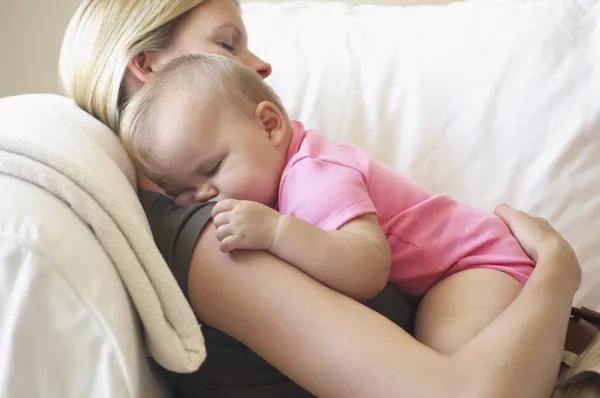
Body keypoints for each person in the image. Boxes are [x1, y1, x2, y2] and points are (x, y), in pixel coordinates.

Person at [59, 0, 581, 397]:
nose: (260, 66)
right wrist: (557, 271)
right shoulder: (213, 228)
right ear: (148, 69)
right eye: (227, 45)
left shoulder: (288, 178)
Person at [119, 53, 535, 303]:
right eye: (183, 194)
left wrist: (277, 232)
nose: (204, 196)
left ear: (269, 125)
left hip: (481, 265)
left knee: (446, 349)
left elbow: (367, 269)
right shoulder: (288, 169)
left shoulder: (313, 176)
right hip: (459, 273)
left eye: (211, 169)